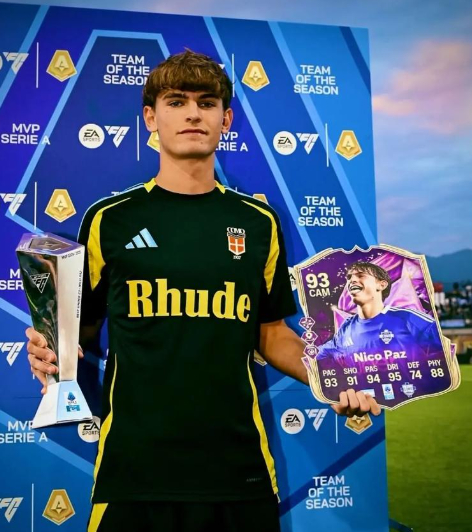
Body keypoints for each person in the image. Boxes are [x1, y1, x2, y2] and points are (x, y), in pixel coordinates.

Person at [25, 51, 380, 532]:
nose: (193, 113)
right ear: (151, 117)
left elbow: (272, 334)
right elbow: (76, 332)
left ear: (225, 119)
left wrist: (333, 378)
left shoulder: (259, 222)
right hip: (134, 472)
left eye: (207, 102)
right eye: (176, 101)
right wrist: (48, 350)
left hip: (238, 473)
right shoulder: (110, 220)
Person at [316, 261, 446, 367]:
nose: (352, 280)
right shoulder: (346, 327)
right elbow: (320, 354)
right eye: (349, 277)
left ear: (381, 285)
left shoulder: (408, 318)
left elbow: (443, 353)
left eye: (360, 276)